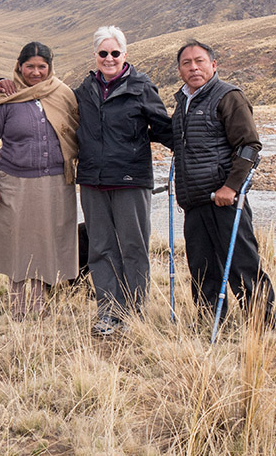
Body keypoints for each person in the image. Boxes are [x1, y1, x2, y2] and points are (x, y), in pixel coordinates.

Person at [74, 26, 173, 336]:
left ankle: (133, 311)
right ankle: (108, 311)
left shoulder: (142, 86)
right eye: (103, 53)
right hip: (93, 180)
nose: (109, 58)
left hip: (132, 180)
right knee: (101, 248)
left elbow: (164, 128)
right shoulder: (83, 91)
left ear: (125, 55)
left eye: (115, 53)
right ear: (95, 55)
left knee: (133, 247)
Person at [171, 40, 275, 328]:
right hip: (194, 200)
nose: (194, 67)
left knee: (242, 264)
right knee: (202, 268)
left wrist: (231, 187)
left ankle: (263, 325)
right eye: (186, 63)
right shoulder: (182, 104)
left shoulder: (229, 96)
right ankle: (211, 323)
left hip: (224, 199)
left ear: (213, 65)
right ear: (180, 70)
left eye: (200, 61)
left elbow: (249, 146)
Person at [0, 42, 79, 319]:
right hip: (15, 182)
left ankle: (40, 303)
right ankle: (19, 306)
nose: (35, 72)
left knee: (46, 241)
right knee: (18, 243)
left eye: (41, 67)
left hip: (57, 182)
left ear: (50, 67)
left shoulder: (63, 94)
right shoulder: (6, 96)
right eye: (30, 66)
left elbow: (77, 131)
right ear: (19, 66)